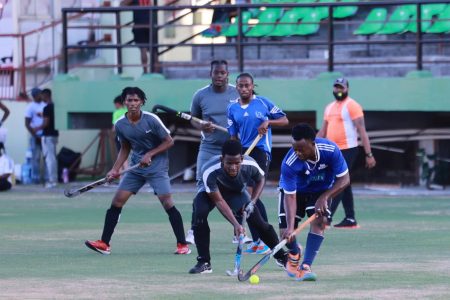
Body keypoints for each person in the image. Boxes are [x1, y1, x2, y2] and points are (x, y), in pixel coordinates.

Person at [85, 87, 191, 255]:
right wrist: (115, 169)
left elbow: (169, 141)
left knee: (167, 202)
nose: (133, 104)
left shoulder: (152, 120)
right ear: (124, 102)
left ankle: (182, 245)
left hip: (157, 167)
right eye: (129, 100)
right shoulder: (120, 124)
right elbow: (125, 147)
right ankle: (104, 243)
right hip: (136, 168)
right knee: (117, 201)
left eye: (136, 100)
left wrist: (150, 154)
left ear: (142, 102)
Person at [189, 139, 287, 274]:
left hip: (235, 192)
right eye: (229, 163)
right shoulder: (210, 170)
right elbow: (219, 201)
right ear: (222, 159)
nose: (233, 167)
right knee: (199, 212)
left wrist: (252, 202)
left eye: (237, 163)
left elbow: (261, 179)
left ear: (241, 158)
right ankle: (204, 262)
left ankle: (282, 257)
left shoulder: (250, 164)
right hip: (210, 192)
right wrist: (236, 224)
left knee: (259, 222)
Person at [279, 123, 350, 281]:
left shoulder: (330, 150)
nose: (297, 152)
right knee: (284, 231)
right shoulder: (289, 164)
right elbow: (290, 196)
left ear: (313, 143)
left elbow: (345, 178)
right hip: (295, 192)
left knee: (320, 220)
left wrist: (325, 196)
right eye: (294, 148)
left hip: (321, 189)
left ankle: (306, 266)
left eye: (301, 149)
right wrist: (291, 228)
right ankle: (294, 252)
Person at [227, 72, 289, 254]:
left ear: (253, 86)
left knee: (252, 194)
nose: (244, 89)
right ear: (236, 87)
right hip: (244, 152)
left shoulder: (263, 103)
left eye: (247, 85)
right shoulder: (232, 108)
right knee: (245, 196)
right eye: (241, 86)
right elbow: (232, 135)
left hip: (261, 151)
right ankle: (258, 240)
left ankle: (264, 239)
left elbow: (284, 120)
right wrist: (233, 154)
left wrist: (268, 122)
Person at [185, 59, 243, 245]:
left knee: (238, 188)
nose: (219, 76)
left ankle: (239, 232)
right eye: (215, 72)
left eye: (222, 73)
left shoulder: (238, 92)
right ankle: (195, 229)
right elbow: (193, 119)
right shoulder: (200, 95)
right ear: (210, 74)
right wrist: (201, 125)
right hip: (208, 148)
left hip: (233, 150)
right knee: (203, 186)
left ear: (228, 74)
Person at [316, 78, 376, 228]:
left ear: (347, 89)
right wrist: (313, 145)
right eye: (336, 88)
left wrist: (369, 154)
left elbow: (362, 130)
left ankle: (327, 217)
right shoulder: (329, 107)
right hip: (333, 150)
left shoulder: (352, 106)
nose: (338, 91)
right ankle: (350, 218)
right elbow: (323, 130)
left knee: (339, 181)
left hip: (349, 149)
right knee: (345, 183)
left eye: (341, 88)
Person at [33, 89, 59, 188]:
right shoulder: (54, 107)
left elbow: (46, 123)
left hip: (47, 136)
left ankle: (52, 180)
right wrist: (42, 115)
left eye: (42, 96)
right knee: (53, 158)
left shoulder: (47, 108)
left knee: (49, 158)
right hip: (54, 134)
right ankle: (54, 179)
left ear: (45, 95)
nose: (41, 98)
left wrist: (37, 128)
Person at [121, 0, 152, 73]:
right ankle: (154, 73)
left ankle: (145, 72)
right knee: (153, 50)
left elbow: (122, 5)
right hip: (151, 23)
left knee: (143, 49)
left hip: (140, 25)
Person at [24, 87, 46, 184]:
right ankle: (35, 178)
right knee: (35, 158)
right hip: (35, 136)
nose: (41, 95)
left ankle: (46, 178)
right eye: (39, 94)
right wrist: (35, 135)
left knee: (46, 157)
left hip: (45, 135)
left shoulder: (45, 105)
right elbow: (27, 124)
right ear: (34, 96)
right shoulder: (30, 107)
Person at [112, 95, 128, 170]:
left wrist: (113, 131)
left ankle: (122, 177)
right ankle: (128, 174)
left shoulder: (117, 113)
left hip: (120, 136)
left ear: (118, 103)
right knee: (128, 155)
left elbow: (114, 127)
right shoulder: (127, 111)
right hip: (130, 136)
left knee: (121, 155)